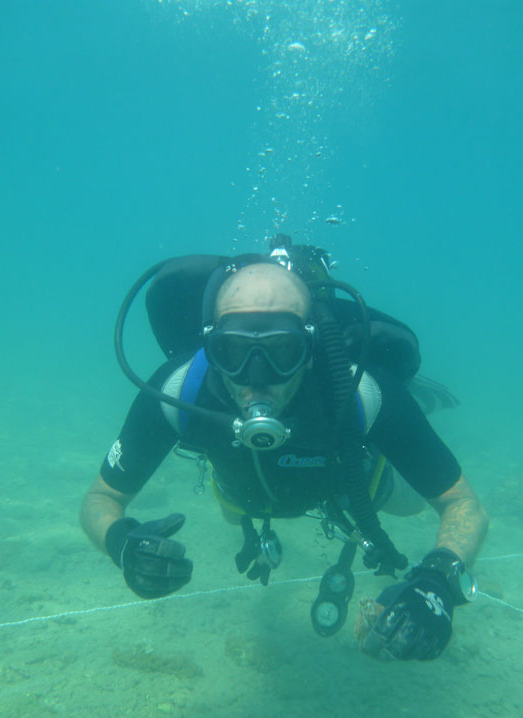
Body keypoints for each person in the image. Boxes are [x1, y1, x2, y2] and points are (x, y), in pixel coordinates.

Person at [80, 243, 488, 662]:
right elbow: (102, 498)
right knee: (234, 509)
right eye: (233, 352)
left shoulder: (363, 391)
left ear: (310, 348)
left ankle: (415, 400)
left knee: (411, 505)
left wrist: (438, 581)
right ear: (211, 347)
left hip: (352, 482)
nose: (256, 379)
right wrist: (121, 542)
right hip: (240, 492)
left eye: (281, 352)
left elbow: (463, 504)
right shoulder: (179, 390)